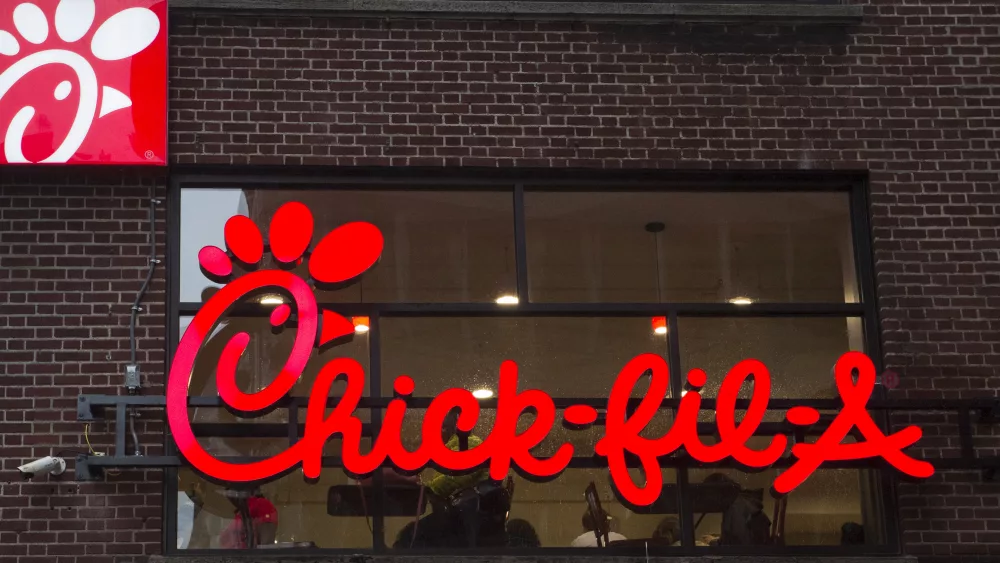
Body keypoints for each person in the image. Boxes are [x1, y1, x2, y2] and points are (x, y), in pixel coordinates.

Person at [397, 407, 498, 548]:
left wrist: (429, 489)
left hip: (471, 516)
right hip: (458, 514)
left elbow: (458, 475)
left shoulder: (470, 443)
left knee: (414, 536)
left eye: (440, 428)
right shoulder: (449, 450)